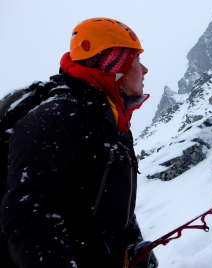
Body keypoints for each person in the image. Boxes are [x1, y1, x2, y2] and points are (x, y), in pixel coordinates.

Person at [0, 18, 156, 267]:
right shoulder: (59, 115)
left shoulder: (112, 123)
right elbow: (30, 213)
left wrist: (134, 247)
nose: (145, 70)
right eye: (137, 59)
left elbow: (113, 205)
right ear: (114, 64)